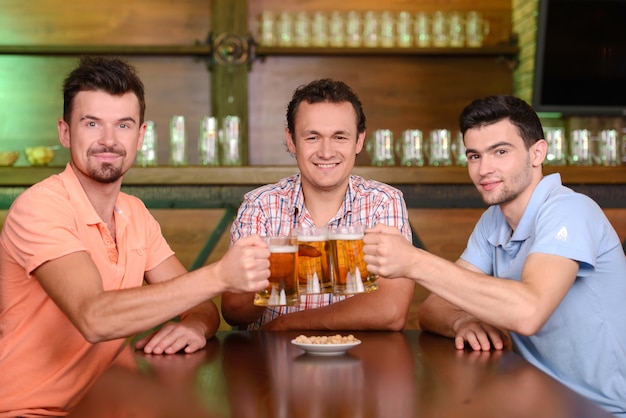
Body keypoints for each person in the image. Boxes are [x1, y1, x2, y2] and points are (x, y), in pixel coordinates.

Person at [0, 56, 270, 417]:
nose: (108, 140)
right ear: (65, 132)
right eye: (92, 123)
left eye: (123, 125)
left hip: (99, 404)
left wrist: (194, 325)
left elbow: (200, 305)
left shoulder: (134, 213)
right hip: (28, 410)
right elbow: (93, 318)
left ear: (140, 135)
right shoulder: (40, 207)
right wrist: (219, 275)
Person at [362, 95, 626, 416]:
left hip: (602, 408)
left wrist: (415, 261)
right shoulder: (494, 221)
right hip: (539, 397)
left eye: (500, 152)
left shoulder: (570, 210)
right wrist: (463, 321)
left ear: (537, 153)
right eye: (474, 156)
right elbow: (432, 309)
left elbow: (529, 312)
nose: (484, 169)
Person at [220, 78, 415, 331]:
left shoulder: (383, 202)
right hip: (274, 365)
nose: (326, 152)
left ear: (359, 141)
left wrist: (287, 323)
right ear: (291, 140)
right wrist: (285, 268)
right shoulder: (261, 205)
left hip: (360, 362)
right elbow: (234, 311)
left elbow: (391, 310)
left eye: (339, 137)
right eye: (312, 137)